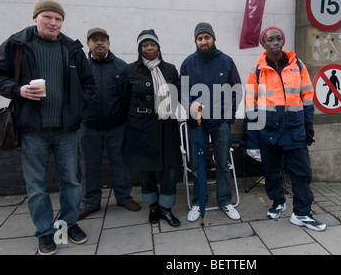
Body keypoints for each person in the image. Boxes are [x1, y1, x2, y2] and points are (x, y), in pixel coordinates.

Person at [0, 0, 95, 254]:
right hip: (32, 130)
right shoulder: (18, 44)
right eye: (48, 17)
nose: (53, 23)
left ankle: (68, 224)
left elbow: (88, 84)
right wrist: (18, 89)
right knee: (36, 185)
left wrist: (78, 107)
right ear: (36, 18)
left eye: (58, 19)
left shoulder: (72, 48)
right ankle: (45, 232)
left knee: (71, 180)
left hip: (66, 130)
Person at [245, 26, 326, 231]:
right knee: (271, 170)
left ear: (283, 41)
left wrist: (308, 123)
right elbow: (250, 103)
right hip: (268, 130)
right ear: (263, 45)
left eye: (279, 38)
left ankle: (301, 213)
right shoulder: (257, 71)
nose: (275, 42)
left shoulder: (297, 65)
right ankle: (278, 202)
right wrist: (255, 134)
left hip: (294, 127)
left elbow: (307, 95)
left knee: (301, 172)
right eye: (270, 40)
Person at [178, 22, 242, 222]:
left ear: (213, 38)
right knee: (197, 164)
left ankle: (225, 200)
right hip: (196, 122)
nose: (203, 41)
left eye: (207, 37)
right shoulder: (188, 63)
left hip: (221, 122)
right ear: (196, 41)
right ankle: (198, 202)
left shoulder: (226, 61)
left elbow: (237, 90)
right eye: (199, 38)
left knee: (222, 163)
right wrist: (190, 104)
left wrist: (228, 116)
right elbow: (182, 91)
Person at [78, 28, 141, 221]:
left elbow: (127, 96)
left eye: (103, 40)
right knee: (89, 166)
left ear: (109, 43)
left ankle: (124, 197)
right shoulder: (81, 66)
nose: (99, 43)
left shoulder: (120, 67)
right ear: (88, 44)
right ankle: (90, 202)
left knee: (120, 163)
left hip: (116, 126)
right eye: (94, 40)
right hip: (89, 126)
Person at [123, 29, 182, 227]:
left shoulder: (171, 69)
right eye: (145, 45)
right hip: (140, 126)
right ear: (140, 49)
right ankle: (153, 206)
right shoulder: (131, 70)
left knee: (169, 169)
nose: (149, 48)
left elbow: (178, 95)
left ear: (158, 47)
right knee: (145, 168)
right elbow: (125, 100)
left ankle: (166, 207)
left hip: (167, 126)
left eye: (153, 44)